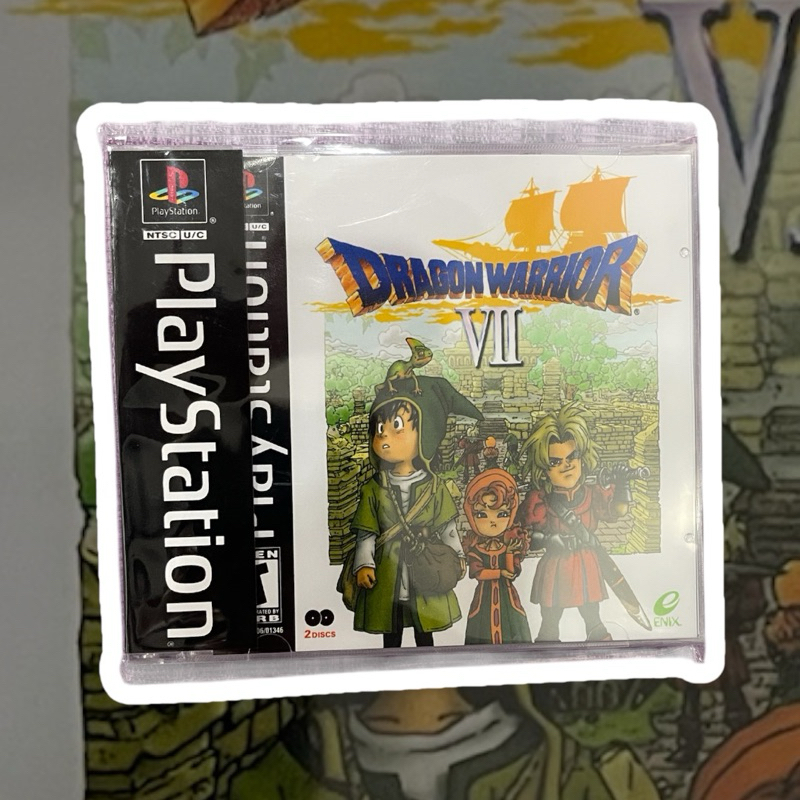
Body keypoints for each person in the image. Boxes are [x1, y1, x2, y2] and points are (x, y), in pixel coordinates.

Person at [519, 403, 633, 642]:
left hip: (586, 562)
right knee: (550, 620)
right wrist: (549, 539)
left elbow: (618, 511)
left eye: (572, 457)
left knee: (592, 615)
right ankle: (546, 648)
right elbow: (526, 537)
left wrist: (623, 485)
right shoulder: (541, 500)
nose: (566, 465)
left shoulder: (592, 493)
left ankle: (599, 640)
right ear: (544, 469)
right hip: (556, 563)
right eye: (555, 461)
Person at [462, 469, 531, 645]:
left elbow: (512, 572)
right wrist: (499, 573)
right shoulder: (477, 548)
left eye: (502, 514)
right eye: (481, 514)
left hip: (507, 597)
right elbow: (478, 573)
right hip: (483, 599)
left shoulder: (508, 545)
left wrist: (509, 553)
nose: (492, 521)